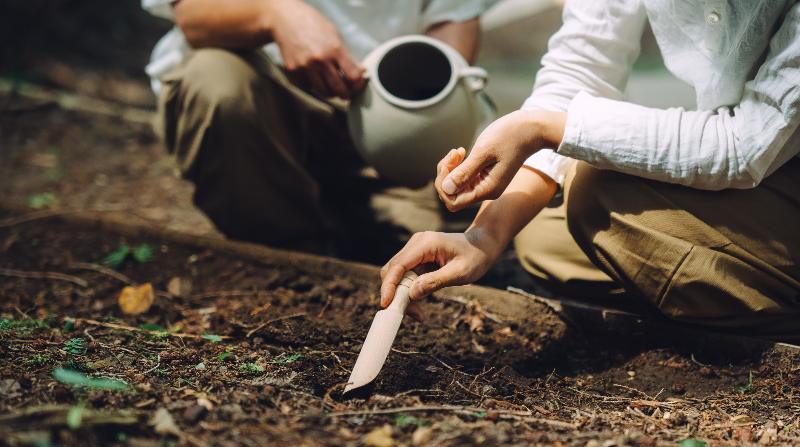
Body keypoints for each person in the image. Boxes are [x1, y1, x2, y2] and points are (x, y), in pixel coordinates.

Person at [380, 0, 800, 342]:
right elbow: (581, 66)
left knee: (597, 189)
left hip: (777, 165)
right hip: (760, 180)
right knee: (542, 233)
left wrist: (541, 130)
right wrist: (484, 234)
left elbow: (744, 144)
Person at [142, 0, 489, 250]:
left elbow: (453, 21)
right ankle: (286, 246)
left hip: (376, 127)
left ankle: (343, 217)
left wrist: (428, 120)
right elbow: (192, 14)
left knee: (405, 245)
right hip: (264, 100)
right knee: (214, 81)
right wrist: (275, 14)